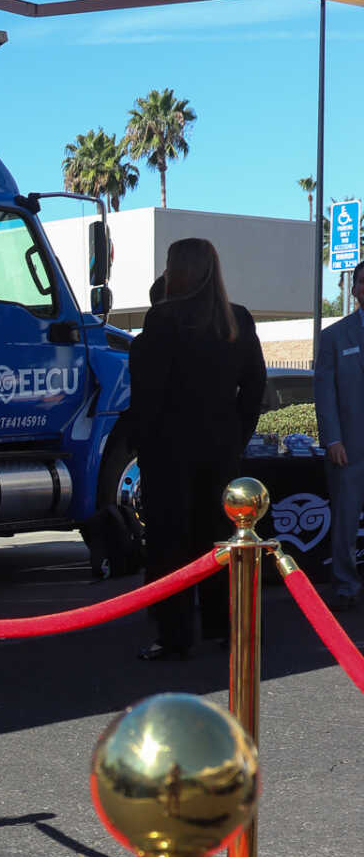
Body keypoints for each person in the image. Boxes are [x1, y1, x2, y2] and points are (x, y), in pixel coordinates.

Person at [121, 237, 266, 660]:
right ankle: (225, 627)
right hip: (220, 450)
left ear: (177, 271)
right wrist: (236, 436)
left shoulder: (163, 320)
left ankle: (174, 634)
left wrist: (141, 441)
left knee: (170, 543)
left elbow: (148, 393)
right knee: (220, 541)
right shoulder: (237, 320)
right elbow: (254, 387)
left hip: (168, 451)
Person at [312, 259, 364, 611]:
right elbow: (324, 392)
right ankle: (346, 585)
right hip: (349, 448)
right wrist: (332, 439)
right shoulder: (334, 336)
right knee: (345, 522)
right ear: (355, 289)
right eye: (363, 282)